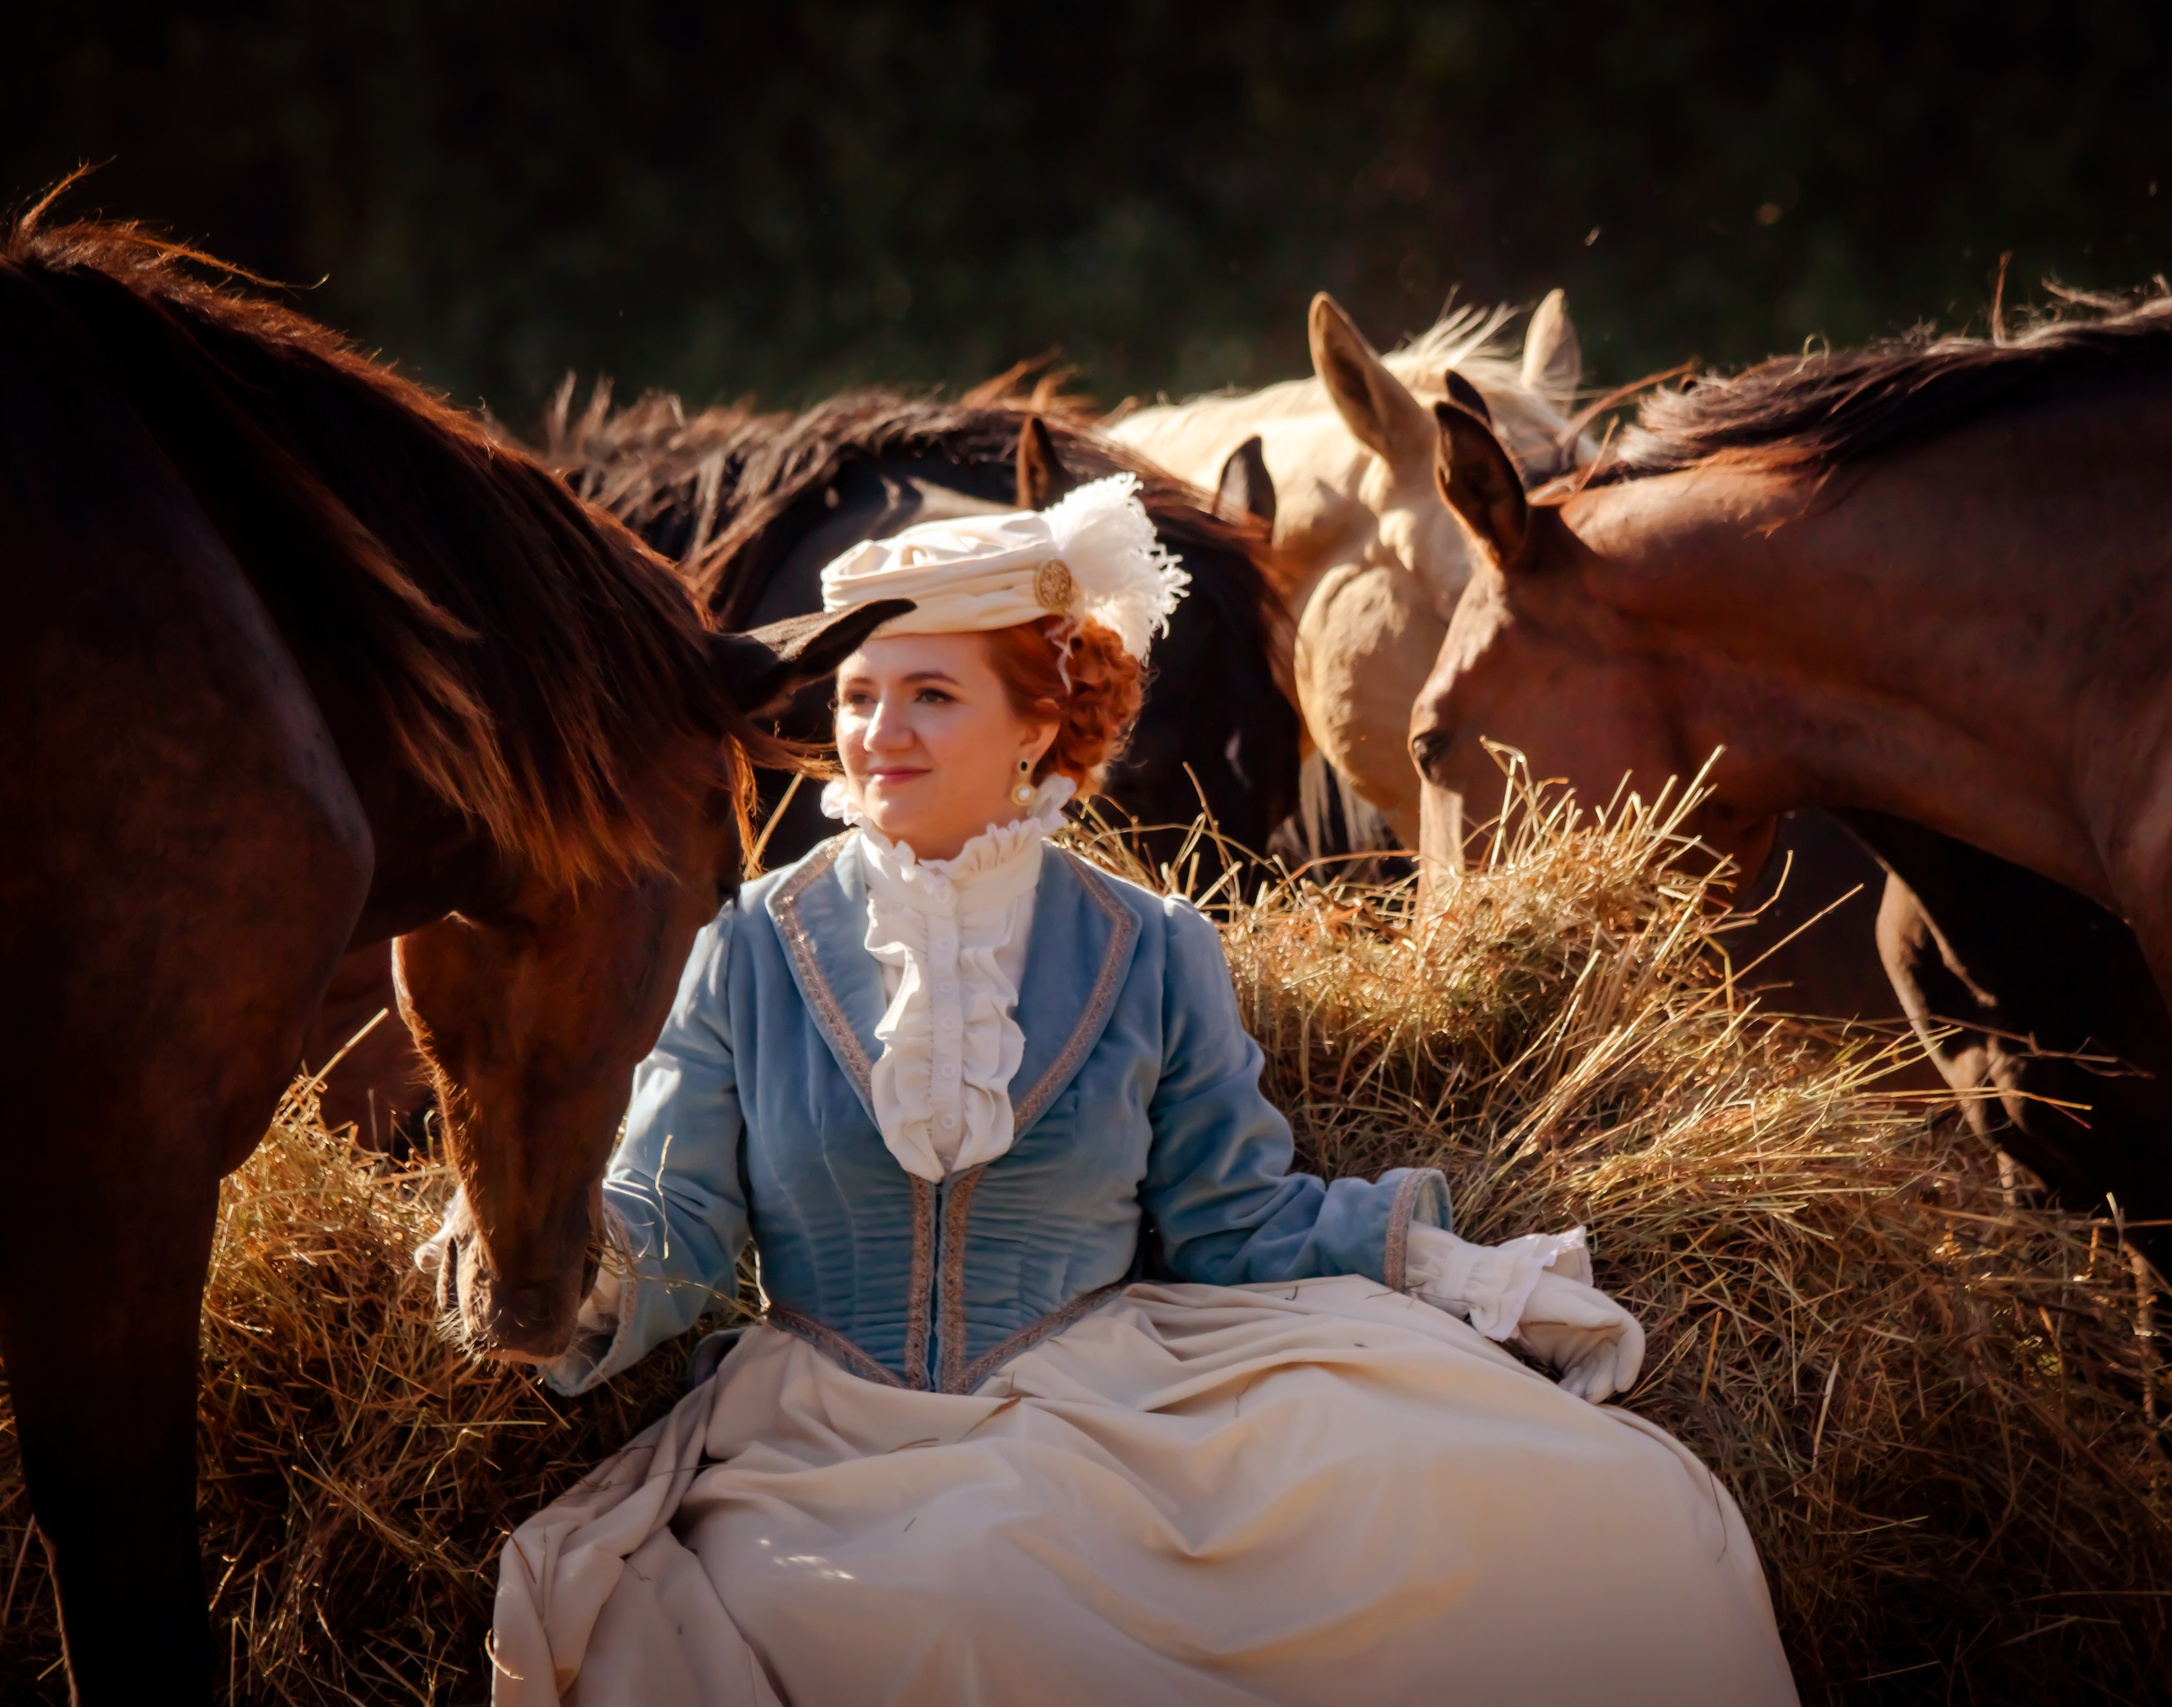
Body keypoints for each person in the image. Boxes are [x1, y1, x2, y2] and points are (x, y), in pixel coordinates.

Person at [445, 475, 1799, 1707]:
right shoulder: (747, 944)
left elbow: (1232, 1222)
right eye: (859, 694)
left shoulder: (1149, 949)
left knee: (1580, 1509)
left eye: (929, 696)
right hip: (820, 1445)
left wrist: (1463, 1274)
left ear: (1040, 724)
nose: (877, 733)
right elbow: (676, 1222)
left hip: (1101, 1411)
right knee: (938, 1606)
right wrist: (562, 1260)